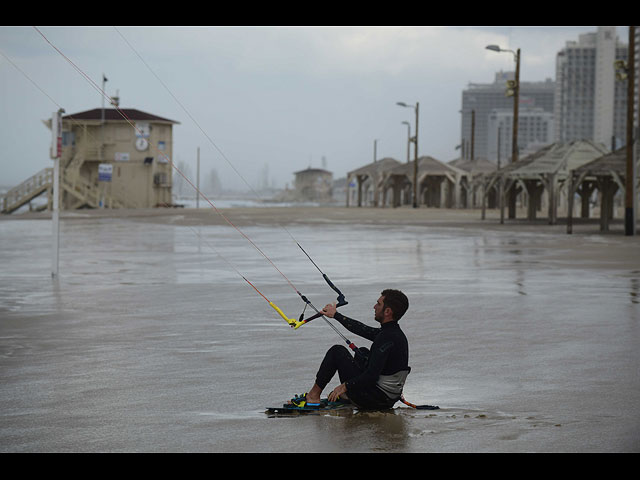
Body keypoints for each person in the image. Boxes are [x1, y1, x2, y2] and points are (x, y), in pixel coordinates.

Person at [289, 289, 411, 410]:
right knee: (362, 352)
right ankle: (347, 397)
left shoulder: (387, 337)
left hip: (376, 400)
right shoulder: (393, 333)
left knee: (338, 352)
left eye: (378, 304)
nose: (374, 307)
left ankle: (313, 396)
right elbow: (362, 329)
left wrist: (344, 387)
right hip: (387, 399)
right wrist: (336, 315)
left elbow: (371, 376)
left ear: (387, 311)